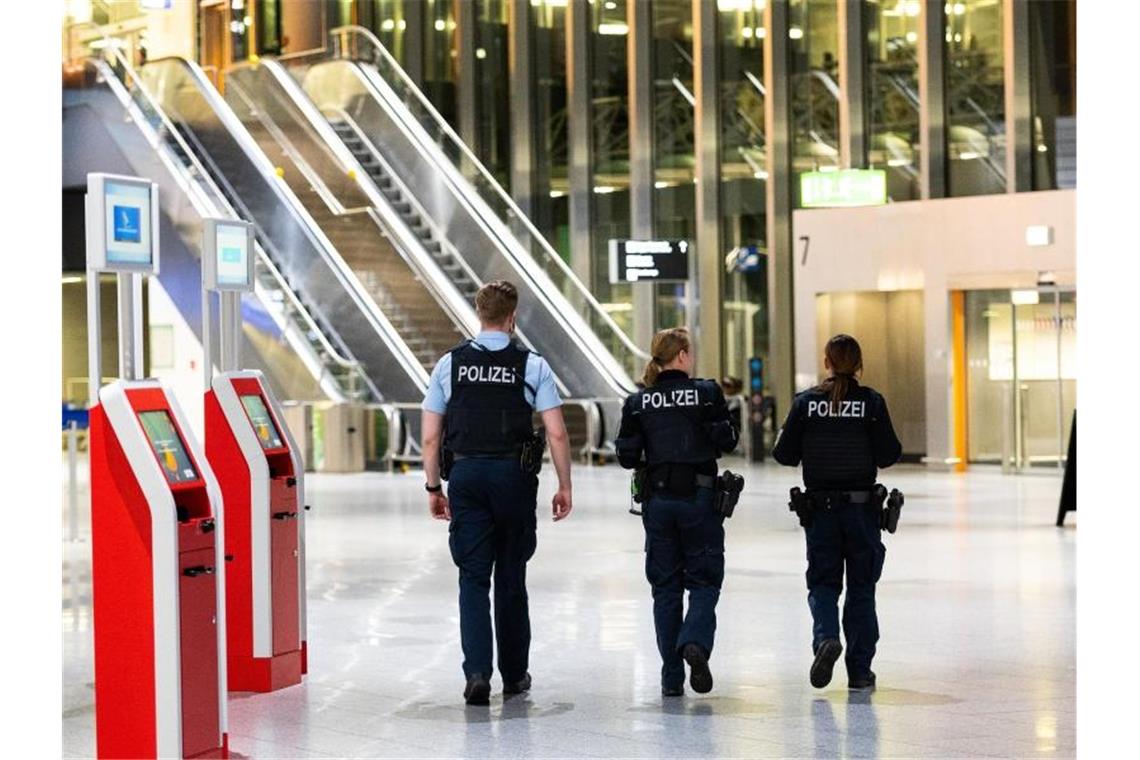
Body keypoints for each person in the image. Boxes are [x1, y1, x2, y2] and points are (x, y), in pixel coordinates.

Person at [421, 280, 574, 706]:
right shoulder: (532, 365)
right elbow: (557, 433)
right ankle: (514, 674)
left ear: (478, 312)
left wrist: (434, 486)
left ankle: (476, 674)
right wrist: (564, 485)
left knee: (472, 577)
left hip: (466, 476)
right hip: (513, 478)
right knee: (511, 577)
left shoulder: (450, 364)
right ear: (512, 318)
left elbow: (432, 438)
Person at [772, 334, 902, 691]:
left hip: (821, 512)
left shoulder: (806, 403)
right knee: (862, 588)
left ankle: (826, 638)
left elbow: (783, 454)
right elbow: (890, 454)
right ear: (859, 366)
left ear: (826, 363)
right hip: (862, 512)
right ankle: (859, 672)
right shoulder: (872, 403)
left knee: (824, 584)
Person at [614, 327, 740, 697]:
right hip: (699, 500)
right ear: (682, 356)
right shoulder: (706, 393)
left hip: (658, 502)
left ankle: (671, 678)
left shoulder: (639, 402)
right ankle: (695, 643)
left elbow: (625, 455)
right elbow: (728, 440)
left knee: (665, 589)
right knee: (704, 581)